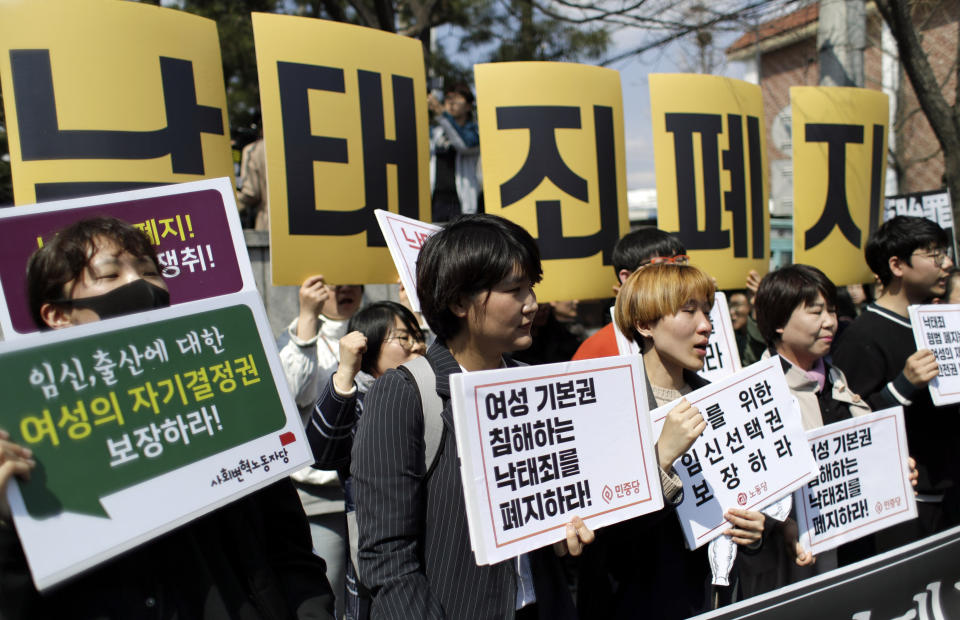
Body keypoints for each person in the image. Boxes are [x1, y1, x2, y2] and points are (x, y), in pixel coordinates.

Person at [2, 216, 335, 619]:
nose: (141, 285)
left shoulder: (223, 397)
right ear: (58, 315)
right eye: (110, 274)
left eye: (148, 271)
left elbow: (289, 548)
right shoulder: (28, 443)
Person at [351, 214, 593, 619]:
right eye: (514, 289)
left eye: (531, 287)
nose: (531, 303)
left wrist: (563, 532)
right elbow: (386, 555)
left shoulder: (532, 386)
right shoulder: (405, 393)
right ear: (459, 302)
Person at [579, 263, 764, 619]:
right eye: (688, 311)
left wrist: (752, 534)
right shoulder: (606, 403)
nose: (706, 326)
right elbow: (602, 537)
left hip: (713, 599)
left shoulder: (717, 398)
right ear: (645, 325)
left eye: (707, 312)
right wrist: (660, 459)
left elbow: (738, 498)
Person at [742, 265, 870, 596]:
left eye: (832, 310)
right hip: (796, 572)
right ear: (778, 323)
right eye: (815, 312)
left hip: (855, 552)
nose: (829, 321)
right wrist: (782, 524)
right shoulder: (755, 392)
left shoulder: (836, 377)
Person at [832, 215, 958, 548]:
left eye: (945, 253)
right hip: (907, 508)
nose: (947, 264)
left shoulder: (939, 323)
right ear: (897, 265)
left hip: (950, 495)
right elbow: (849, 425)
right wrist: (904, 384)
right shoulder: (863, 336)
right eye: (934, 254)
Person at [307, 301, 426, 620]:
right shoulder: (358, 403)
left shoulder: (431, 393)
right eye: (403, 338)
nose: (417, 346)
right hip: (380, 556)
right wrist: (346, 371)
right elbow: (322, 452)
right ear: (368, 346)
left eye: (418, 336)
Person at [277, 274, 364, 618]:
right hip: (318, 495)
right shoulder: (298, 331)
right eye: (335, 283)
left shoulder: (376, 324)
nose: (345, 289)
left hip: (368, 488)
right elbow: (291, 392)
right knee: (325, 590)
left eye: (353, 281)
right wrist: (307, 317)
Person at [572, 227, 687, 361]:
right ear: (627, 277)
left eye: (679, 262)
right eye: (661, 266)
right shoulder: (597, 350)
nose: (675, 274)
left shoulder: (703, 328)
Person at [428, 83, 481, 222]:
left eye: (457, 98)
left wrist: (442, 116)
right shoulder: (436, 132)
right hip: (436, 203)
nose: (451, 102)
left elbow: (464, 145)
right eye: (448, 98)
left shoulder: (474, 132)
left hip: (462, 204)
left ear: (469, 106)